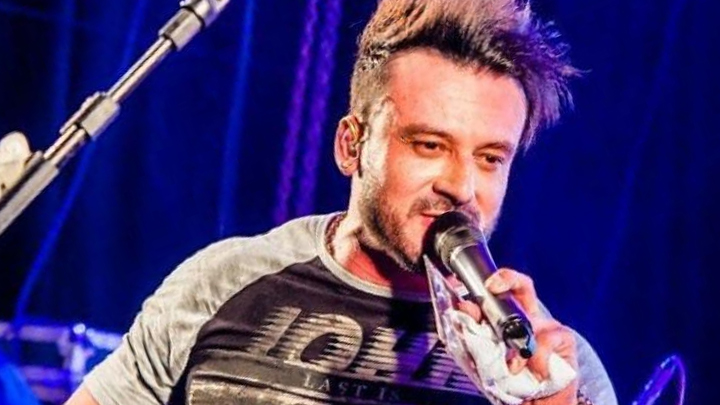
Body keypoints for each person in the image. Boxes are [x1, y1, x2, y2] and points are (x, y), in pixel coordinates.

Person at [66, 0, 618, 404]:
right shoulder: (221, 285)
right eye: (430, 145)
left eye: (490, 158)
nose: (462, 186)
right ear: (352, 145)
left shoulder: (551, 365)